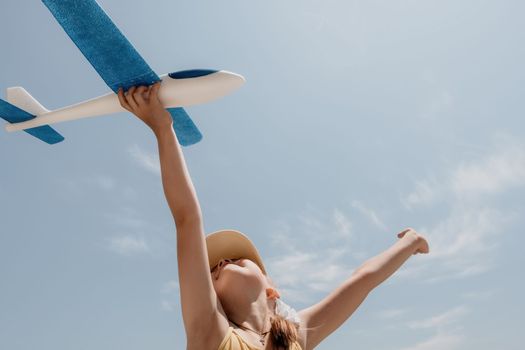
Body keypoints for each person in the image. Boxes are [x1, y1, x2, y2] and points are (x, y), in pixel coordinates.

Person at [117, 83, 430, 350]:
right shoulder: (210, 332)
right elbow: (188, 218)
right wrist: (162, 127)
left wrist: (410, 243)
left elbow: (362, 281)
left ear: (271, 290)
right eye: (215, 267)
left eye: (233, 260)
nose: (221, 263)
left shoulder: (296, 335)